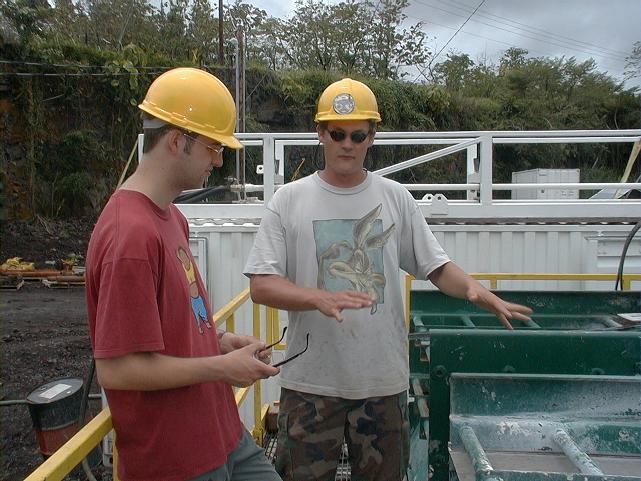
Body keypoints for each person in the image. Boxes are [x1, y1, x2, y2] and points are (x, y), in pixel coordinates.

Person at [243, 77, 533, 481]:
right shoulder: (288, 200)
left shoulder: (396, 197)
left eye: (357, 135)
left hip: (382, 385)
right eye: (337, 133)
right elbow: (261, 285)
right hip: (310, 386)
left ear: (372, 137)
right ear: (320, 133)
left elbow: (436, 267)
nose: (347, 144)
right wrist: (318, 297)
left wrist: (475, 291)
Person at [85, 67, 281, 481]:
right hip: (177, 460)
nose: (219, 160)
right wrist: (223, 368)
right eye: (213, 147)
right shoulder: (130, 235)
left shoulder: (172, 217)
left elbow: (174, 326)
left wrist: (221, 343)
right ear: (176, 140)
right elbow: (117, 370)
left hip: (222, 435)